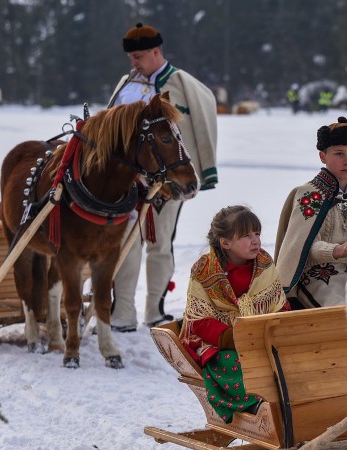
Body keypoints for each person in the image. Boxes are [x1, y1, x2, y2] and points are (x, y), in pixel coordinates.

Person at [107, 22, 219, 332]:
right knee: (128, 243)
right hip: (129, 180)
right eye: (132, 58)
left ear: (157, 52)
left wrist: (197, 171)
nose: (135, 63)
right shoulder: (125, 83)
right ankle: (123, 312)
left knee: (161, 243)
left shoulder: (182, 84)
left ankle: (154, 310)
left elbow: (197, 129)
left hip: (167, 180)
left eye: (139, 56)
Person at [179, 205, 289, 423]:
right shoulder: (204, 269)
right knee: (231, 362)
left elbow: (278, 303)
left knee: (286, 360)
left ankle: (288, 402)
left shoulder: (264, 265)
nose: (256, 240)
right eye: (246, 236)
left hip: (260, 335)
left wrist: (278, 330)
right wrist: (234, 338)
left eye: (257, 233)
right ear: (225, 243)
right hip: (218, 341)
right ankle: (254, 402)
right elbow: (199, 318)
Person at [274, 117, 347, 309]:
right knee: (345, 308)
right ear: (323, 156)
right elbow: (305, 247)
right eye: (339, 153)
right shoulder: (310, 194)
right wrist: (335, 251)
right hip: (317, 274)